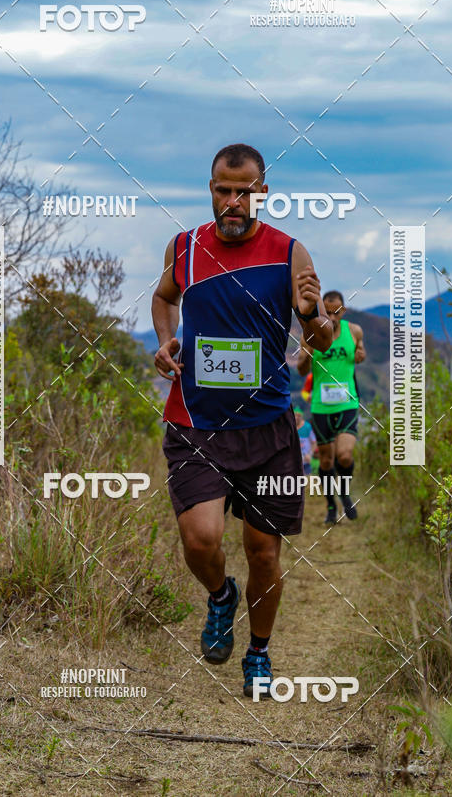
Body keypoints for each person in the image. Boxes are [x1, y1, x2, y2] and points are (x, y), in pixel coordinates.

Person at [151, 143, 332, 697]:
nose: (231, 202)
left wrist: (316, 316)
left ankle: (258, 650)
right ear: (210, 190)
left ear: (262, 194)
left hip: (268, 429)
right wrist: (164, 343)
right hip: (195, 423)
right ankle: (220, 597)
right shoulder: (184, 247)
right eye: (221, 190)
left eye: (243, 192)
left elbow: (317, 337)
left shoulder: (289, 253)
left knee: (264, 551)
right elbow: (164, 299)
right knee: (201, 538)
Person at [296, 290, 366, 524]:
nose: (332, 318)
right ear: (321, 311)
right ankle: (330, 507)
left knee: (344, 456)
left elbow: (360, 353)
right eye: (328, 312)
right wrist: (305, 358)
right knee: (326, 462)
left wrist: (360, 354)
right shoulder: (311, 335)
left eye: (336, 312)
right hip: (321, 406)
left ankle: (344, 494)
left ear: (342, 311)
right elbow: (301, 371)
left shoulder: (354, 331)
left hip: (347, 403)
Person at [294, 409, 316, 476]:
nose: (297, 417)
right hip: (293, 462)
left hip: (305, 461)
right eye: (295, 415)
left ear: (302, 416)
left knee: (307, 481)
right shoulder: (290, 427)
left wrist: (310, 454)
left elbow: (314, 442)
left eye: (299, 415)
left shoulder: (307, 426)